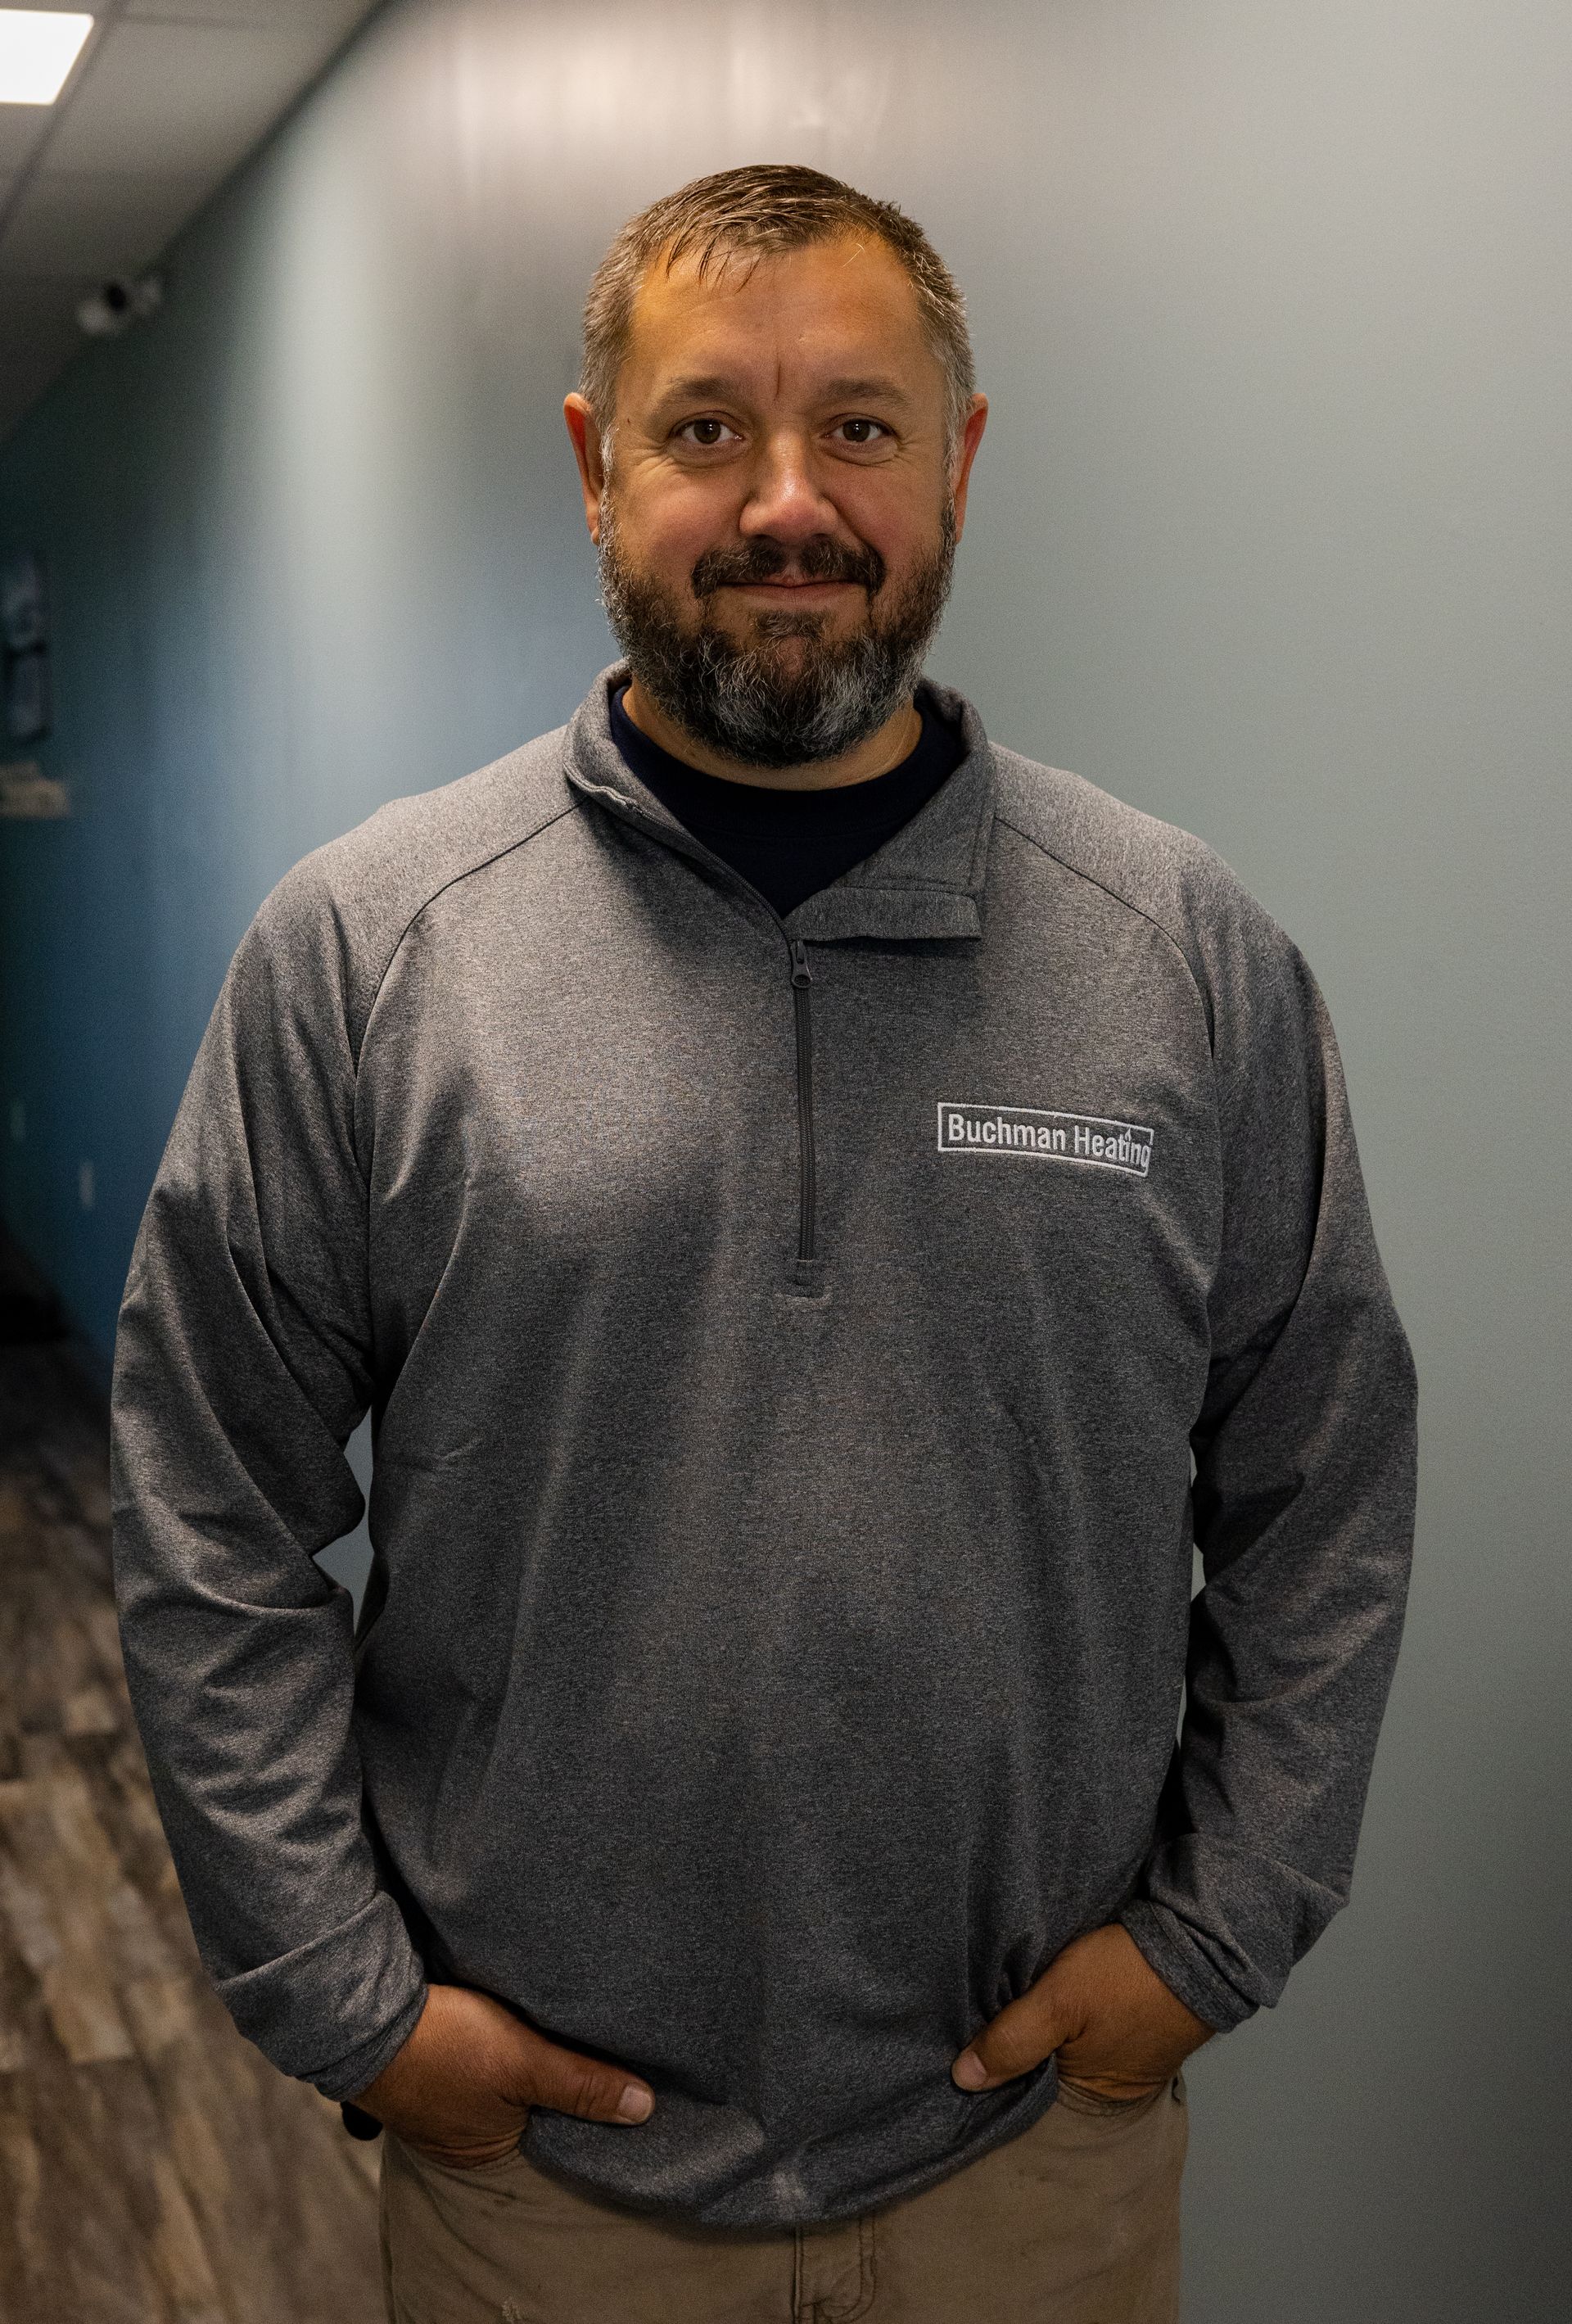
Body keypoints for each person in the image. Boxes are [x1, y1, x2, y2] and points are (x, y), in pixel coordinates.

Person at [110, 164, 1418, 2323]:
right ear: (593, 462)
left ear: (961, 459)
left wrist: (1215, 1933)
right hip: (545, 2194)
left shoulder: (1184, 962)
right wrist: (347, 2002)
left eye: (862, 428)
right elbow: (205, 1514)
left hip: (1032, 2175)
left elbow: (1326, 1486)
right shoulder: (367, 956)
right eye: (707, 426)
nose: (789, 502)